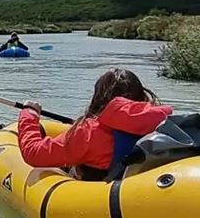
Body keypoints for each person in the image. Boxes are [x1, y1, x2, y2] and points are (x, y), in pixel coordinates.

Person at [16, 68, 173, 181]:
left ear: (99, 97)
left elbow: (33, 153)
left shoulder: (88, 133)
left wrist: (29, 115)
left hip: (99, 199)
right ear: (141, 94)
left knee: (66, 166)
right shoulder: (163, 124)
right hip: (141, 193)